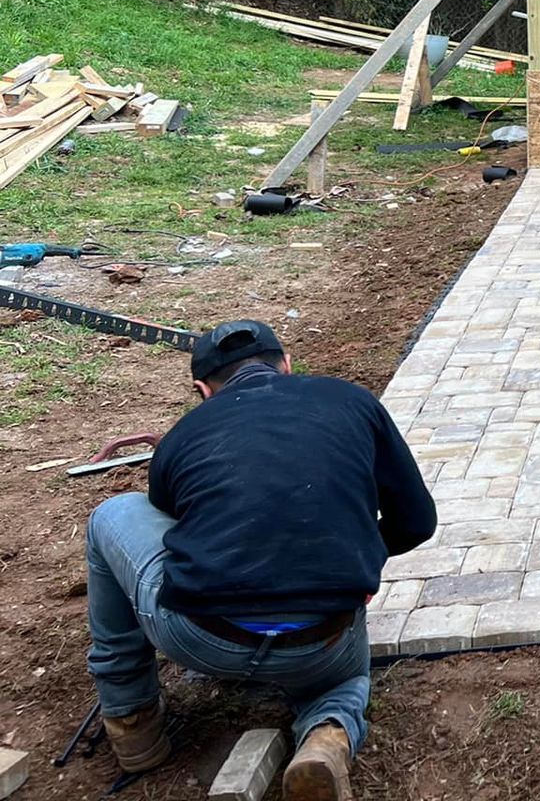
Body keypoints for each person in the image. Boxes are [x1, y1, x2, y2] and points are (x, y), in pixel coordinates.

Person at [84, 319, 437, 800]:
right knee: (347, 679)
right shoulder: (353, 402)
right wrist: (354, 557)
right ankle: (326, 735)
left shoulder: (181, 437)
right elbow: (416, 522)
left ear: (201, 391)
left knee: (114, 513)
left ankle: (132, 717)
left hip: (203, 637)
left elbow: (172, 529)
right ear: (287, 366)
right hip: (325, 636)